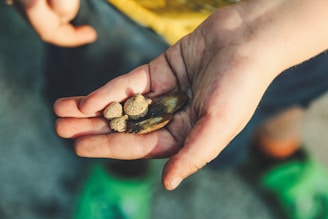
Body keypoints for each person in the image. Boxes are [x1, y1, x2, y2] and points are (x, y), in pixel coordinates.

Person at [13, 0, 328, 218]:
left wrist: (268, 27)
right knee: (101, 99)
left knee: (287, 92)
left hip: (299, 24)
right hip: (120, 16)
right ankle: (123, 173)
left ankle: (278, 152)